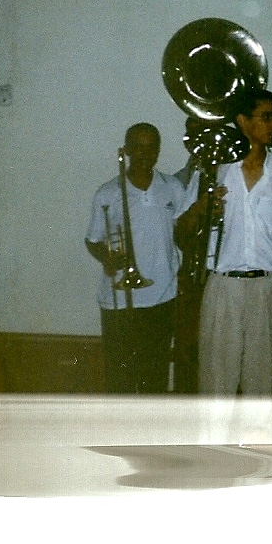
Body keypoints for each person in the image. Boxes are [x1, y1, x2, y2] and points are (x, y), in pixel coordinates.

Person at [175, 88, 272, 396]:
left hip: (268, 288)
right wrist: (202, 208)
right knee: (216, 386)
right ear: (243, 121)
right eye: (267, 117)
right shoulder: (213, 170)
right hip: (223, 286)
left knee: (261, 387)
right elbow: (180, 234)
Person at [85, 122, 186, 394]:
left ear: (158, 150)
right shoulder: (108, 193)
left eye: (152, 147)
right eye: (139, 147)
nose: (146, 153)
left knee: (155, 374)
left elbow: (184, 234)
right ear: (127, 150)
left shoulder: (173, 187)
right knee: (121, 378)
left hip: (163, 295)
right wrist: (106, 257)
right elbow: (92, 240)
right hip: (119, 298)